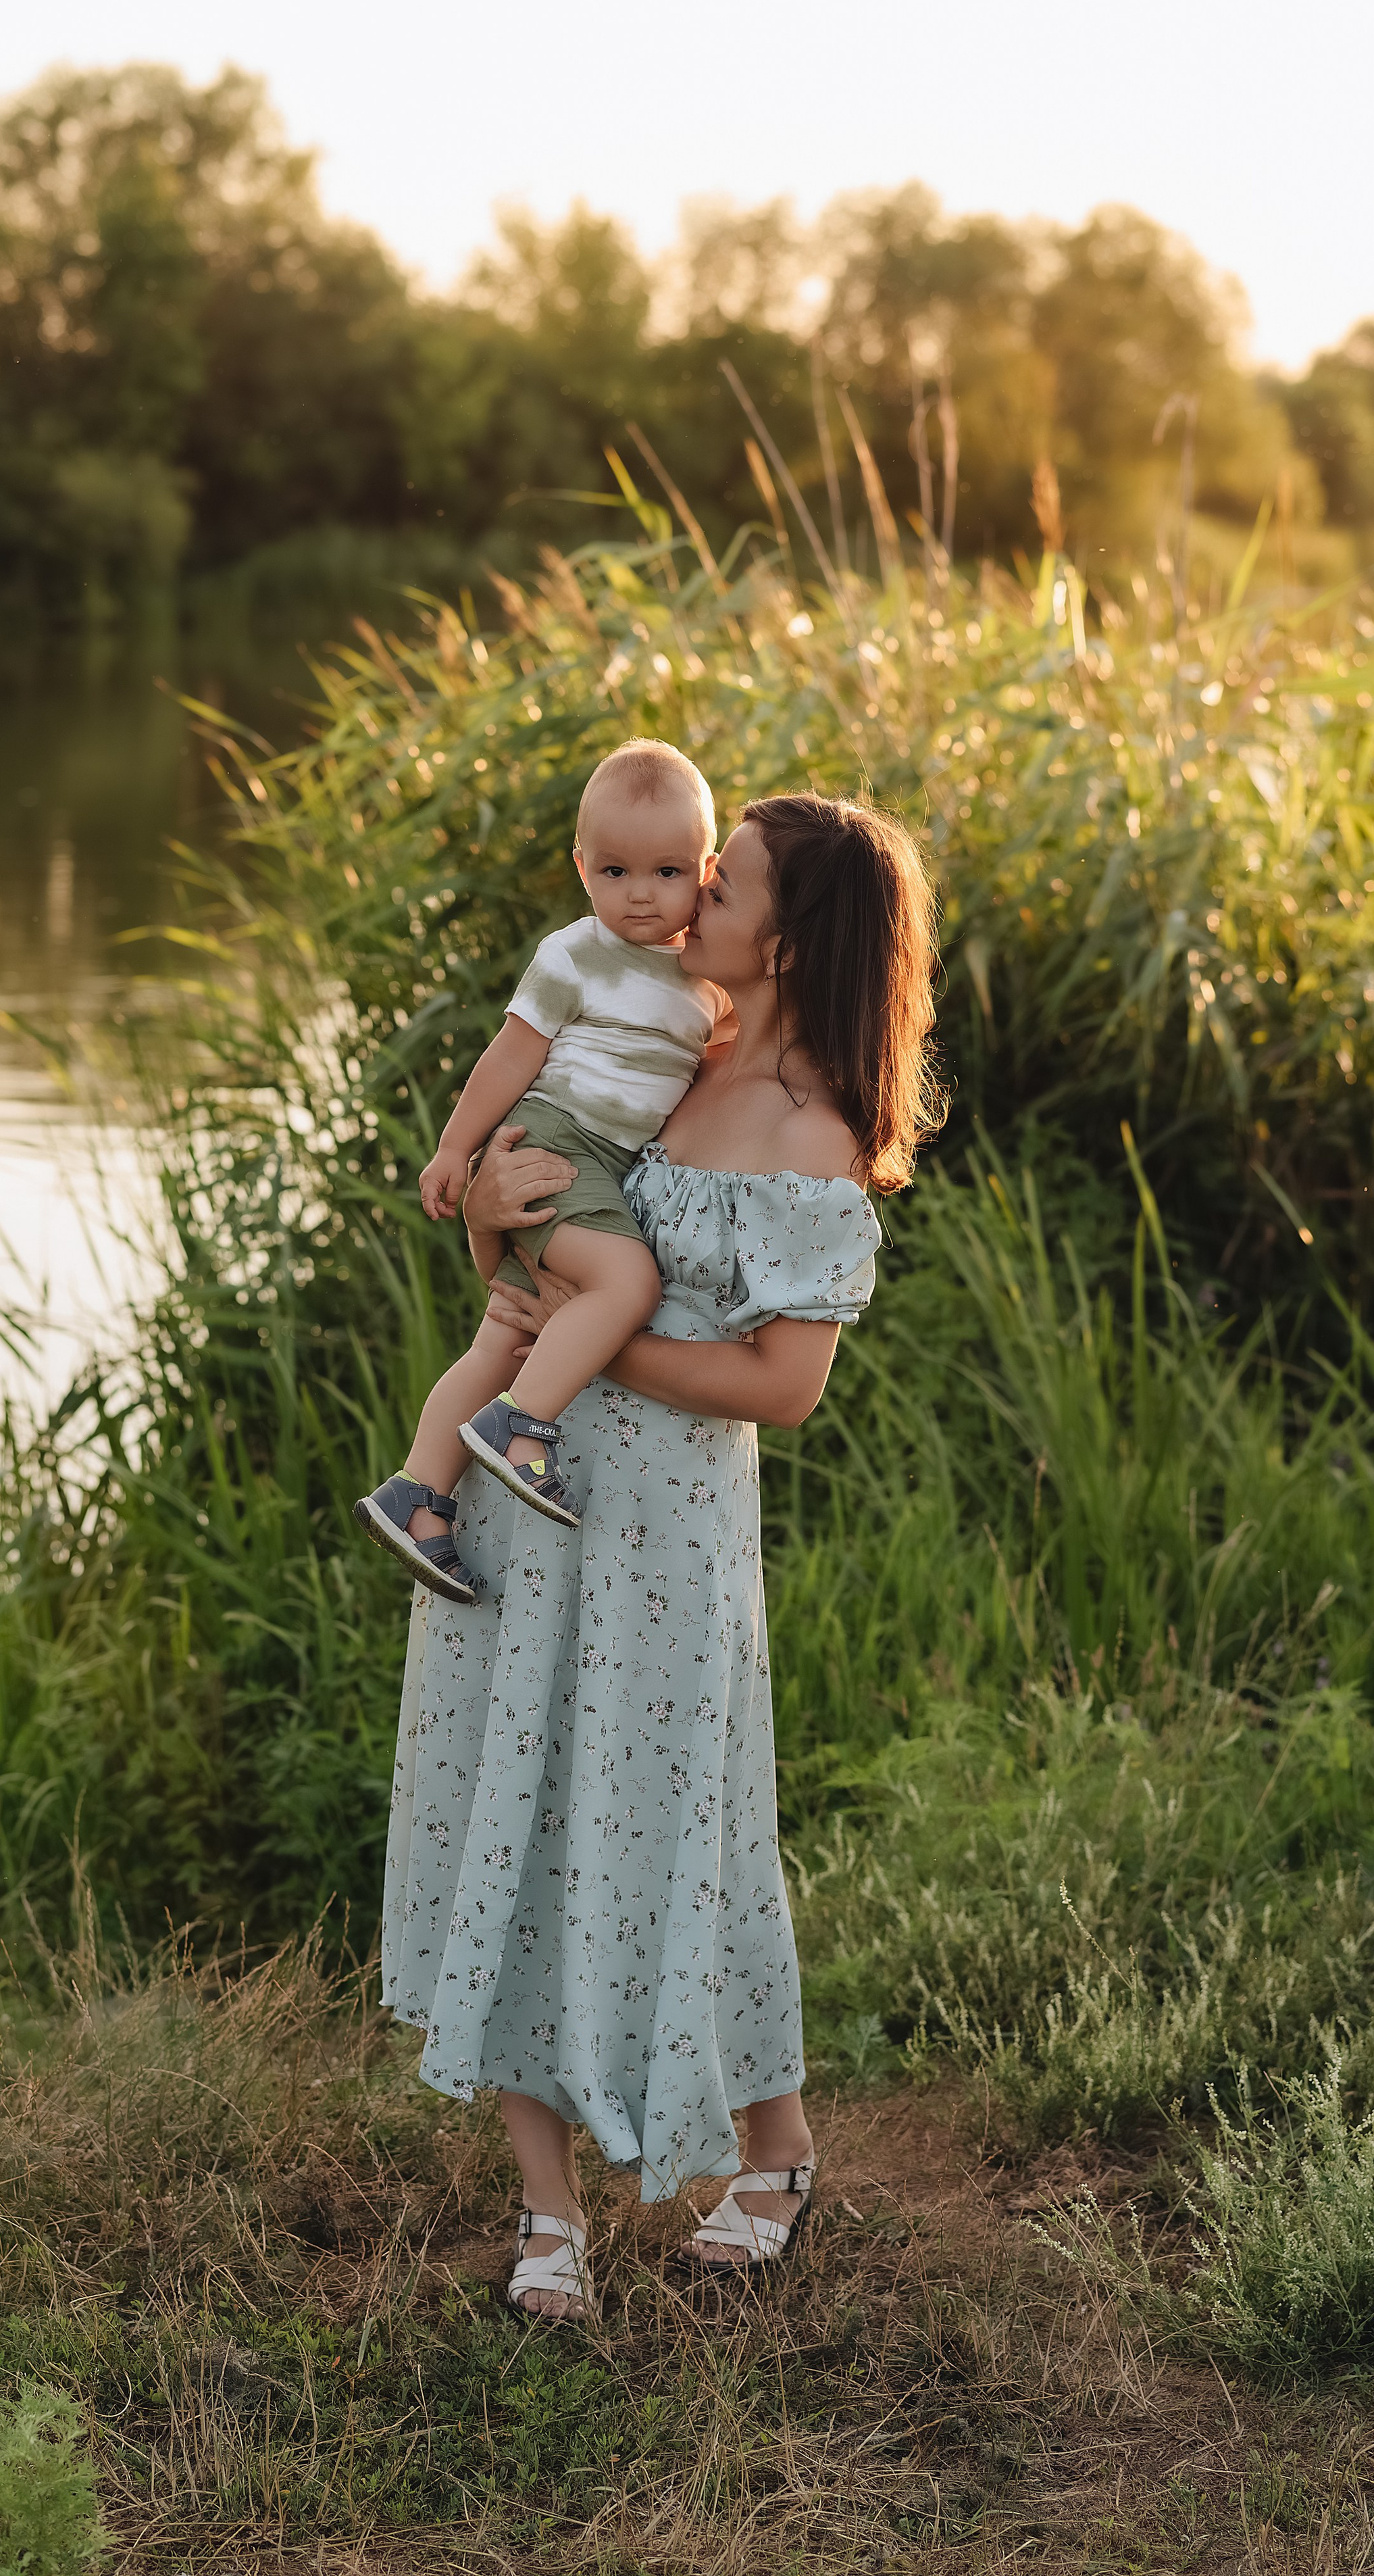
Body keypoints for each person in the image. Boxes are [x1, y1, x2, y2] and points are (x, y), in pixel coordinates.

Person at [382, 792, 945, 2322]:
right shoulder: (662, 1044)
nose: (693, 889)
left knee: (685, 1830)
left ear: (792, 930)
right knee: (518, 1804)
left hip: (668, 1536)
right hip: (525, 1481)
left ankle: (773, 2150)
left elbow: (782, 1384)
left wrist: (602, 1354)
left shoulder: (815, 1127)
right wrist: (486, 1211)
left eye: (728, 879)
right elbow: (533, 1252)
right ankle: (545, 2212)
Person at [355, 737, 727, 1606]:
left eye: (668, 872)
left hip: (599, 1156)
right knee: (625, 1281)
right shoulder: (575, 954)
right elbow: (508, 1057)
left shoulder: (708, 987)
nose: (640, 894)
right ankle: (523, 1424)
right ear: (580, 868)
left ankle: (418, 1494)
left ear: (705, 871)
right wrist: (455, 1148)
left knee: (507, 1330)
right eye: (614, 871)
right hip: (557, 1137)